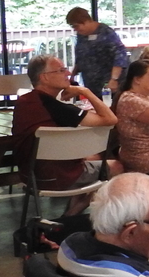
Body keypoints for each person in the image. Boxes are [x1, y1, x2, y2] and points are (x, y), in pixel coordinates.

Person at [13, 54, 122, 215]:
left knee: (94, 157)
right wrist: (85, 91)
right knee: (117, 166)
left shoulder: (24, 102)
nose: (68, 74)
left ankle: (72, 213)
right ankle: (76, 213)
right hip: (59, 177)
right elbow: (111, 119)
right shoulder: (55, 107)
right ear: (45, 77)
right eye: (62, 70)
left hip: (30, 175)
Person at [66, 6, 130, 98]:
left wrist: (114, 79)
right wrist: (72, 75)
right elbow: (81, 56)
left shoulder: (106, 32)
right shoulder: (81, 35)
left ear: (86, 21)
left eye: (76, 26)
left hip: (108, 84)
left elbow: (120, 55)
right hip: (92, 85)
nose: (75, 29)